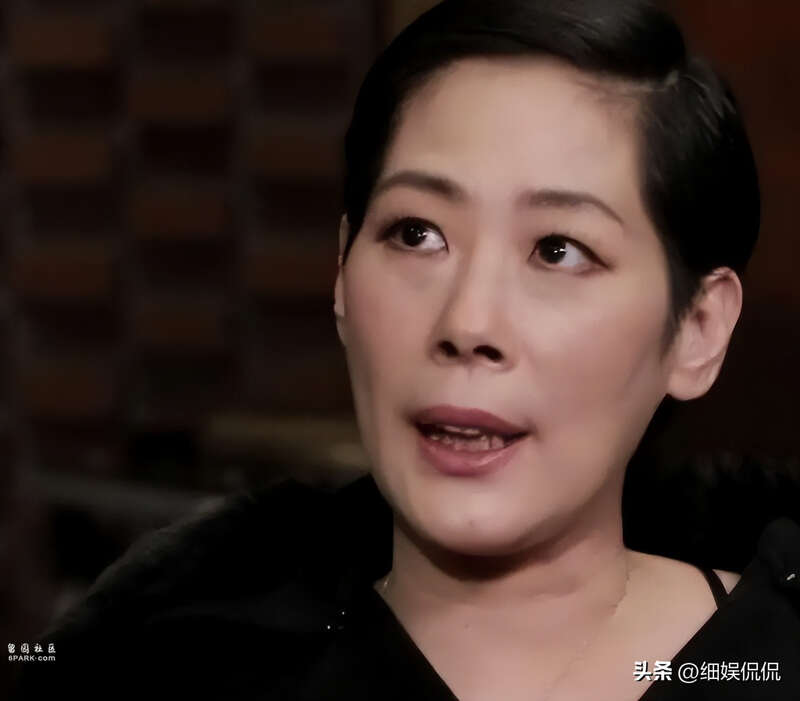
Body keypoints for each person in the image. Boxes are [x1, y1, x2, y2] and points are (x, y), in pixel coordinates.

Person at [15, 1, 800, 699]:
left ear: (698, 329)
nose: (468, 321)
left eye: (558, 249)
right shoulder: (166, 667)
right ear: (341, 275)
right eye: (417, 233)